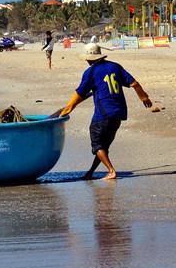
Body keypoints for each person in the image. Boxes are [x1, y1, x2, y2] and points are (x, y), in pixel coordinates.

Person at [55, 42, 152, 180]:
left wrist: (66, 111)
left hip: (103, 114)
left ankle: (111, 171)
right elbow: (134, 83)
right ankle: (90, 173)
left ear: (88, 58)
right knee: (102, 147)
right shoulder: (115, 66)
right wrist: (144, 97)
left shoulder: (91, 72)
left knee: (97, 144)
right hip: (118, 113)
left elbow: (79, 94)